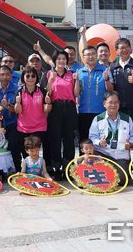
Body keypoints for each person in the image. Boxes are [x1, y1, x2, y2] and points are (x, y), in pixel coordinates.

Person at [89, 91, 133, 181]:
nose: (113, 105)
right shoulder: (98, 119)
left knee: (121, 179)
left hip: (120, 157)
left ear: (119, 104)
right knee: (89, 164)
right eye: (110, 102)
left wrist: (130, 144)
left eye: (116, 102)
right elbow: (92, 137)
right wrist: (99, 142)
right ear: (104, 104)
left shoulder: (127, 119)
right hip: (103, 155)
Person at [45, 50, 78, 179]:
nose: (61, 61)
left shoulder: (71, 74)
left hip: (69, 107)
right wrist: (51, 80)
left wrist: (77, 80)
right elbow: (48, 92)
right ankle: (56, 166)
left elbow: (75, 94)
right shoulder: (50, 74)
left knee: (69, 138)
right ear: (55, 61)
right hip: (56, 107)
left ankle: (68, 166)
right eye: (58, 59)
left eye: (63, 59)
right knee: (55, 138)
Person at [109, 38, 133, 152]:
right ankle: (124, 164)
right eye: (121, 48)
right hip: (119, 109)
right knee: (122, 138)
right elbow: (111, 88)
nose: (124, 50)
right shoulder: (112, 66)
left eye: (126, 47)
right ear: (117, 51)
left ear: (130, 49)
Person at [75, 46, 112, 155]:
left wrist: (106, 79)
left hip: (100, 112)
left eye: (93, 54)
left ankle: (100, 166)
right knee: (84, 141)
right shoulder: (80, 72)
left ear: (96, 55)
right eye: (88, 54)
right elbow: (76, 93)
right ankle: (82, 167)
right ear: (83, 57)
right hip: (83, 112)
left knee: (99, 142)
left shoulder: (104, 70)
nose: (90, 56)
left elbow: (111, 90)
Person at [14, 66, 52, 169]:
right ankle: (28, 170)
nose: (30, 78)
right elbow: (18, 111)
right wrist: (17, 102)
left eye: (33, 75)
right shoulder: (19, 92)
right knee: (26, 151)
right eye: (28, 76)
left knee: (39, 150)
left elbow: (46, 110)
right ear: (23, 78)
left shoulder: (42, 92)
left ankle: (45, 169)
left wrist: (48, 103)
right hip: (23, 128)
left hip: (39, 127)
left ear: (36, 77)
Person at [0, 65, 20, 170]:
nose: (5, 77)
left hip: (13, 123)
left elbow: (18, 109)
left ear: (11, 76)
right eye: (2, 74)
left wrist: (7, 105)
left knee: (14, 146)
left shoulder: (17, 89)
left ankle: (17, 170)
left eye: (7, 74)